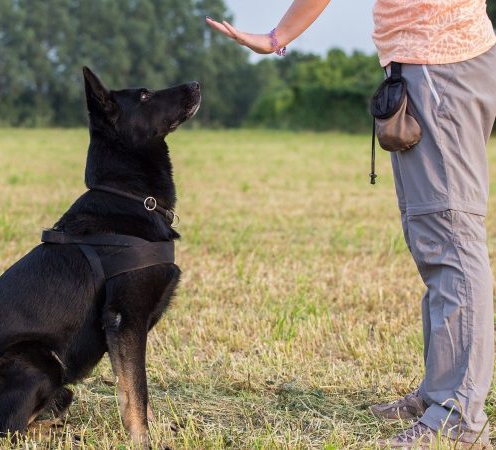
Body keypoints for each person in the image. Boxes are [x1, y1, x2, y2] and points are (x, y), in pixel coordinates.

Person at [207, 1, 496, 448]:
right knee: (435, 241)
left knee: (451, 241)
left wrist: (276, 37)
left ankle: (458, 416)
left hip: (441, 65)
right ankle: (439, 395)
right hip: (431, 64)